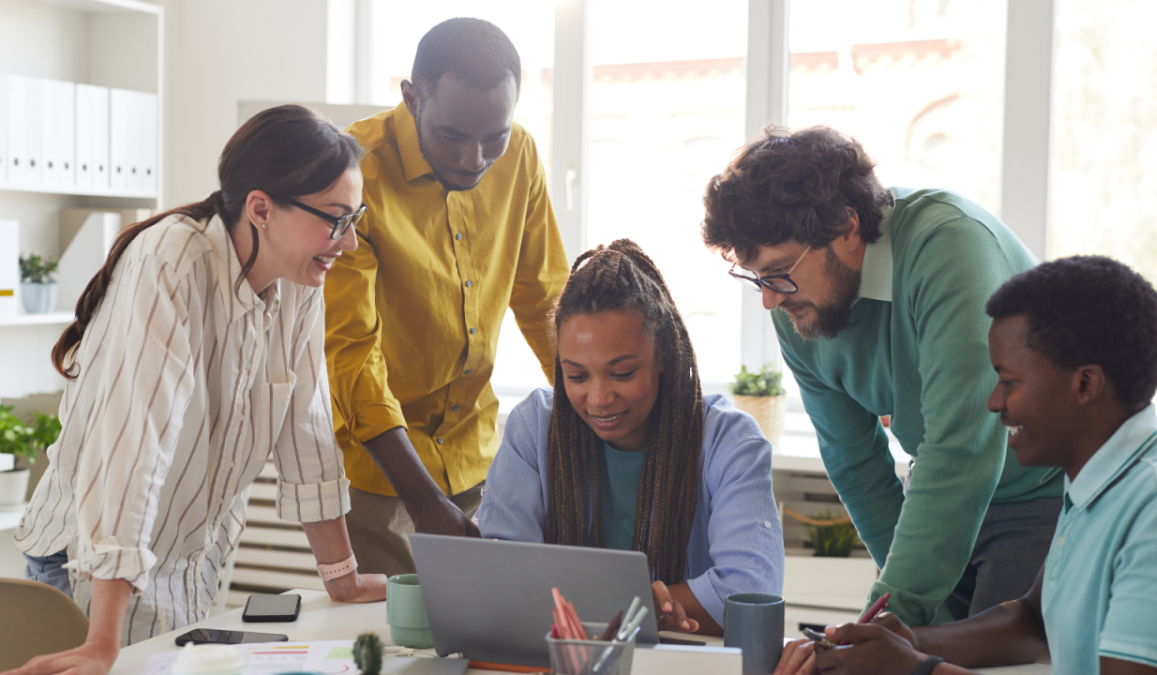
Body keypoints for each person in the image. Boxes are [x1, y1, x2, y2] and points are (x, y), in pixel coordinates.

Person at [7, 105, 386, 675]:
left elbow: (306, 432)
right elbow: (132, 449)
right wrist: (101, 642)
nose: (350, 241)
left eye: (354, 217)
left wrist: (344, 580)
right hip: (89, 572)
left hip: (183, 572)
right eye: (335, 220)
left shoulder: (299, 280)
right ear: (261, 208)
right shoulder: (171, 263)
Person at [702, 126, 1063, 626]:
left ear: (848, 229)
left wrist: (891, 620)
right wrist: (894, 617)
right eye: (757, 278)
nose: (769, 298)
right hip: (938, 493)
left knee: (984, 664)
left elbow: (961, 446)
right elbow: (854, 461)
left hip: (1037, 493)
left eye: (781, 271)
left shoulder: (949, 246)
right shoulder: (792, 304)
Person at [774, 255, 1157, 675]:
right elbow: (1034, 621)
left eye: (1009, 382)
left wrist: (918, 669)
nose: (994, 402)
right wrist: (910, 640)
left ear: (1085, 384)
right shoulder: (1099, 483)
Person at [324, 17, 569, 577]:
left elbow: (545, 301)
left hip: (479, 458)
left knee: (486, 644)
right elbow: (351, 351)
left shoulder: (522, 155)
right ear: (411, 97)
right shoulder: (352, 169)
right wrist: (421, 497)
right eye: (453, 136)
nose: (473, 159)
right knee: (391, 648)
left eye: (494, 137)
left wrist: (597, 413)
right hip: (380, 471)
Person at [477, 240, 784, 636]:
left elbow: (749, 594)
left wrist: (618, 608)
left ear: (663, 358)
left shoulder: (729, 442)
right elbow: (498, 576)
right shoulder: (535, 428)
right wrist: (647, 606)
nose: (599, 398)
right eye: (576, 376)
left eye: (621, 373)